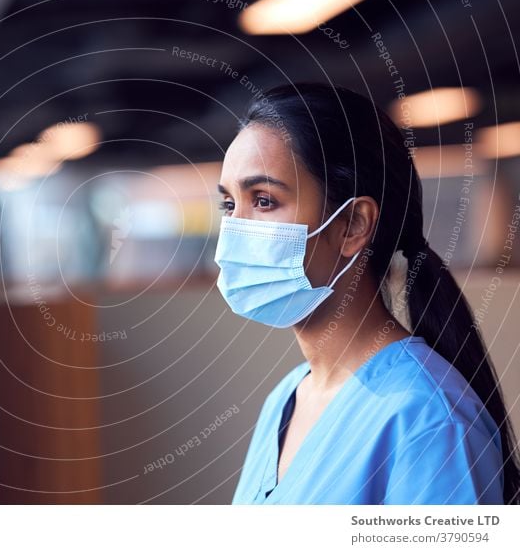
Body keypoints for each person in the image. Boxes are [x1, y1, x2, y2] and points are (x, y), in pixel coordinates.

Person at [214, 81, 519, 504]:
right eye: (229, 205)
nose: (236, 229)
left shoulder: (428, 419)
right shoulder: (286, 398)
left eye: (264, 200)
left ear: (354, 225)